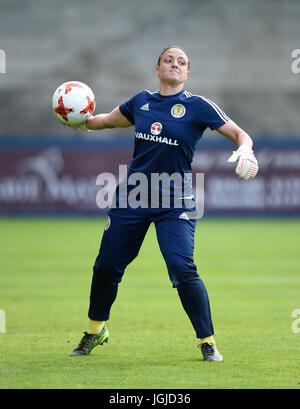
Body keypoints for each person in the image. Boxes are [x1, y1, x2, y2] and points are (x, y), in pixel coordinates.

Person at [67, 46, 259, 361]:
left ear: (187, 73)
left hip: (176, 199)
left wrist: (246, 150)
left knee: (183, 269)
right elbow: (106, 121)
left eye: (181, 62)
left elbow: (240, 134)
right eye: (168, 60)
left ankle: (207, 341)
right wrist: (80, 122)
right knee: (105, 266)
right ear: (157, 69)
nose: (174, 64)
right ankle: (94, 331)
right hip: (133, 195)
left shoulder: (198, 106)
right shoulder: (140, 101)